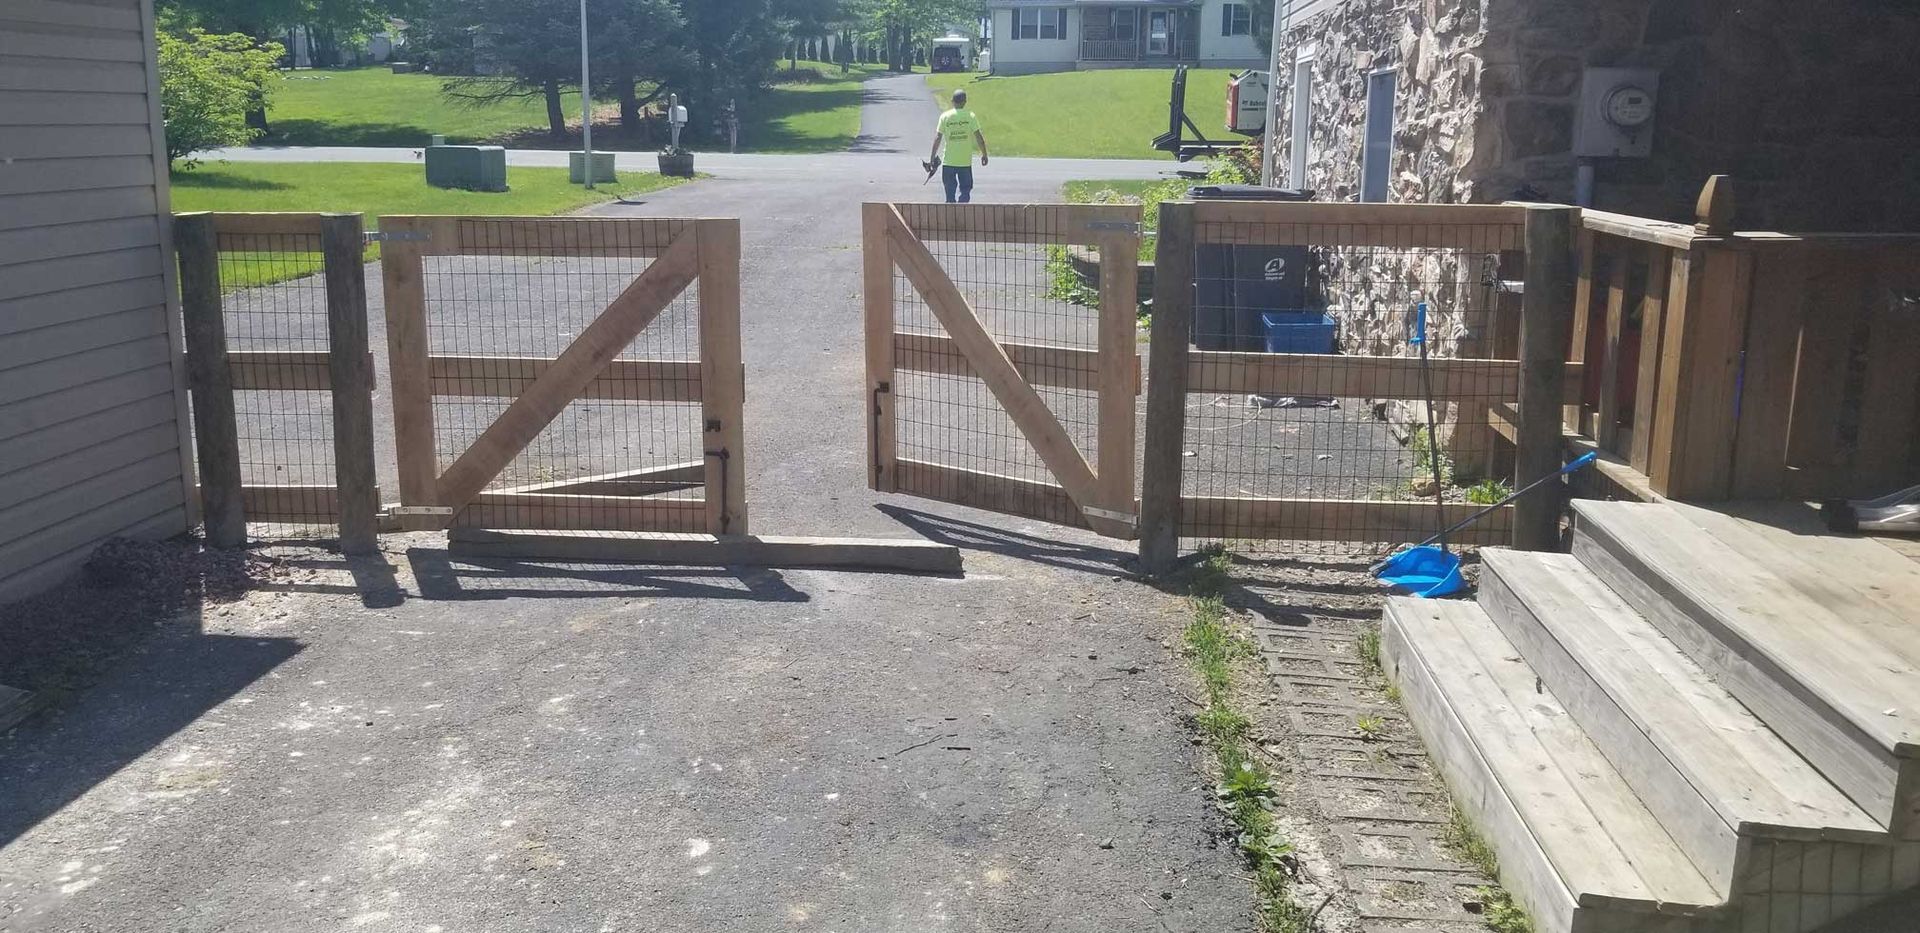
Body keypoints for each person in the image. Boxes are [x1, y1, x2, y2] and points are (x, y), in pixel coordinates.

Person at [930, 89, 988, 203]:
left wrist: (932, 157)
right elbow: (979, 137)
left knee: (950, 195)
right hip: (965, 162)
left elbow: (937, 138)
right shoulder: (970, 116)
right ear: (964, 102)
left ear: (952, 101)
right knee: (965, 191)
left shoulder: (945, 117)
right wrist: (984, 154)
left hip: (949, 162)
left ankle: (951, 217)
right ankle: (962, 214)